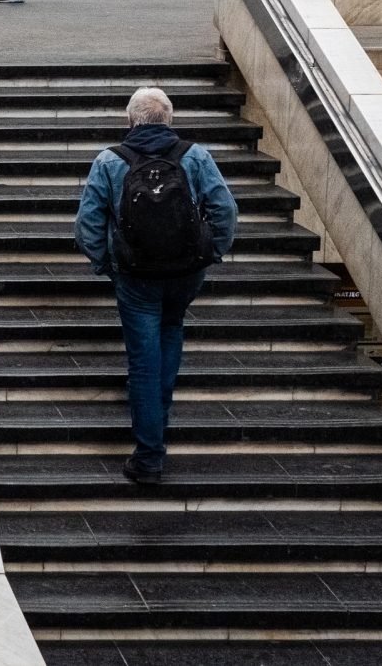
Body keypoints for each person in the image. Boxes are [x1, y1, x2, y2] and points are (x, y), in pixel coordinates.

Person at [75, 86, 240, 484]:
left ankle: (149, 456)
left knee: (143, 363)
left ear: (129, 121)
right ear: (169, 120)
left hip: (136, 277)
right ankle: (157, 424)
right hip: (185, 273)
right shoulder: (195, 156)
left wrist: (108, 265)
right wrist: (210, 253)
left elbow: (87, 226)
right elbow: (225, 210)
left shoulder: (110, 161)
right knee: (171, 333)